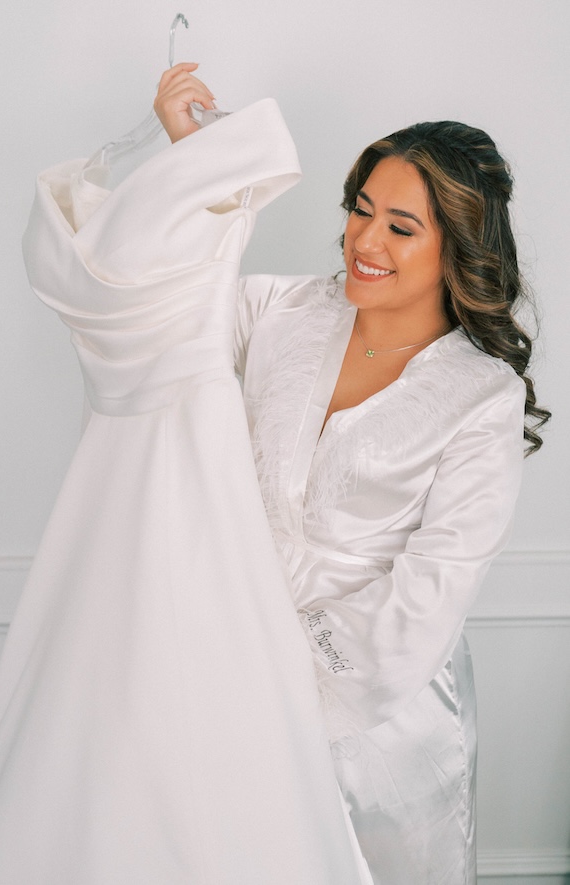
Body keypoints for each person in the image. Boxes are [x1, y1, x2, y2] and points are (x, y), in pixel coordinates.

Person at [155, 64, 551, 884]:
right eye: (360, 209)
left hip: (383, 731)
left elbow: (430, 592)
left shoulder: (482, 395)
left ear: (457, 247)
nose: (363, 242)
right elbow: (168, 307)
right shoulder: (282, 312)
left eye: (401, 226)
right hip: (228, 675)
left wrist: (286, 681)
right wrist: (196, 161)